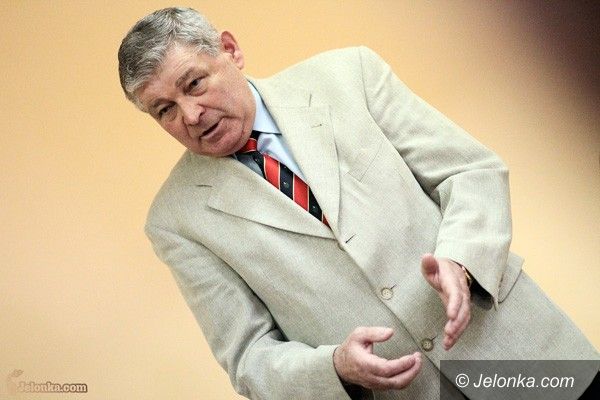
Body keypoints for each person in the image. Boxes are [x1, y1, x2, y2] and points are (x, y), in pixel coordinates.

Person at [118, 7, 598, 400]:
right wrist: (335, 367)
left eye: (194, 84)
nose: (191, 114)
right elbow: (250, 359)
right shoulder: (176, 221)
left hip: (521, 353)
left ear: (230, 50)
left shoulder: (349, 75)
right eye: (165, 110)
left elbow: (469, 172)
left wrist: (462, 258)